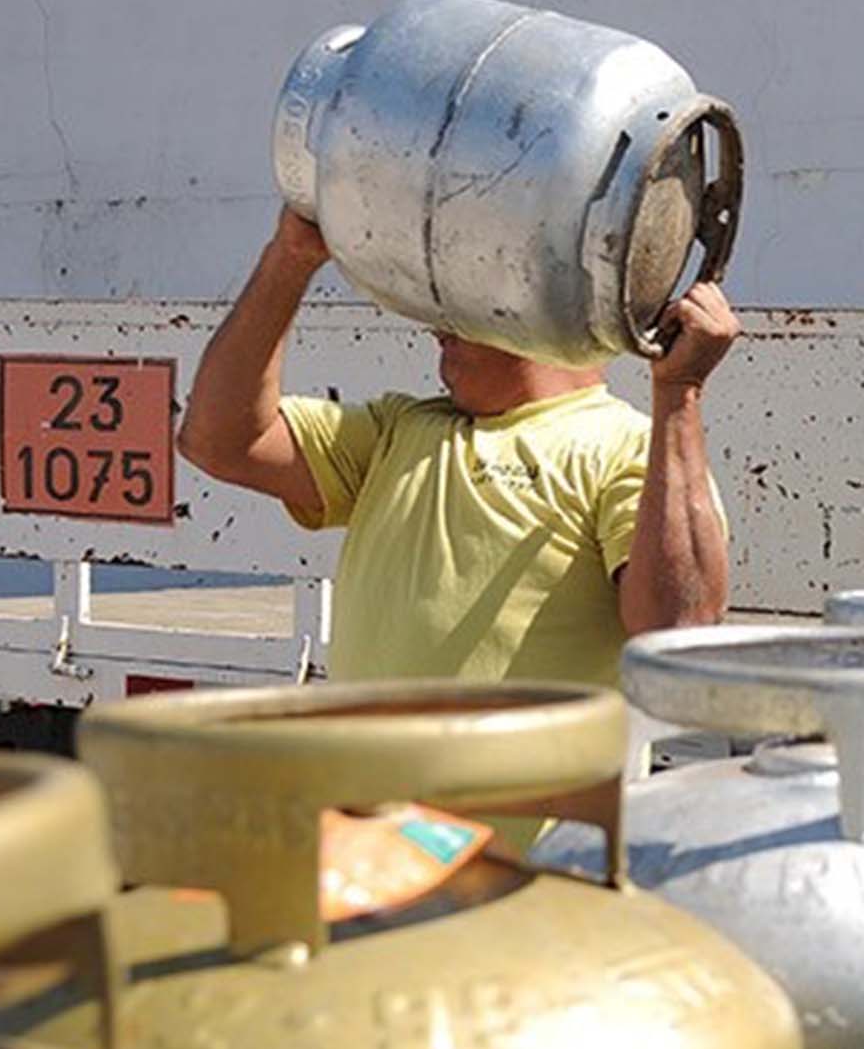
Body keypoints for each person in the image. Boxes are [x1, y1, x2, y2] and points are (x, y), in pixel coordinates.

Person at [177, 209, 738, 689]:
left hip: (538, 820)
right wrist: (290, 257)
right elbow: (217, 441)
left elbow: (677, 634)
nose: (436, 325)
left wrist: (678, 393)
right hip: (377, 818)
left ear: (537, 312)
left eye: (466, 298)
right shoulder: (397, 431)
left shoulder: (628, 449)